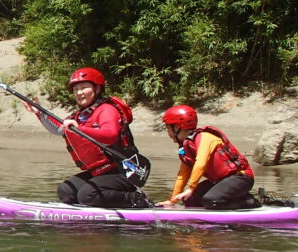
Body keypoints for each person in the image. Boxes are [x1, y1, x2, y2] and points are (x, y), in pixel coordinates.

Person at [26, 67, 147, 208]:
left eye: (84, 88)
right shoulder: (81, 115)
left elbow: (110, 135)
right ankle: (94, 207)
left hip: (123, 172)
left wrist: (79, 129)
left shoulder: (107, 110)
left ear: (97, 89)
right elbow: (59, 129)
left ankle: (137, 199)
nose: (79, 93)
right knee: (66, 191)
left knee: (88, 195)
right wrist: (40, 113)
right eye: (76, 89)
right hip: (100, 173)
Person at [157, 105, 257, 210]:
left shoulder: (205, 137)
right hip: (220, 181)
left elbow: (201, 163)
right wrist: (172, 200)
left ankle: (250, 201)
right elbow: (183, 174)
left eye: (168, 128)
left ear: (178, 127)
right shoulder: (188, 145)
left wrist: (191, 188)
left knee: (211, 201)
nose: (168, 133)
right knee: (189, 200)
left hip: (240, 178)